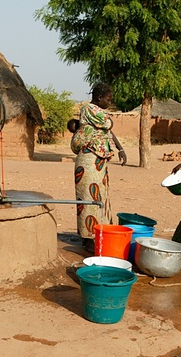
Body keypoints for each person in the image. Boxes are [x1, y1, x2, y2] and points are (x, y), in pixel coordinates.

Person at [71, 83, 127, 252]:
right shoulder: (90, 109)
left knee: (100, 197)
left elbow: (108, 131)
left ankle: (98, 234)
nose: (110, 102)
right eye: (108, 99)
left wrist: (121, 148)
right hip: (88, 161)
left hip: (99, 162)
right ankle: (88, 239)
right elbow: (108, 124)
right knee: (89, 197)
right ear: (99, 98)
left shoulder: (97, 115)